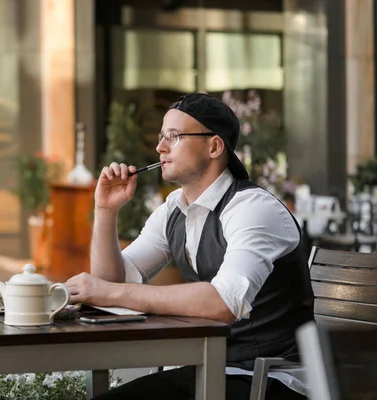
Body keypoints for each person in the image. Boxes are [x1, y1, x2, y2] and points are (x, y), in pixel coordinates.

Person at [66, 93, 314, 400]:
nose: (160, 147)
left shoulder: (252, 209)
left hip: (269, 380)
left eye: (174, 136)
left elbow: (222, 303)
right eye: (161, 136)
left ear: (214, 146)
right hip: (210, 368)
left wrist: (109, 293)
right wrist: (105, 211)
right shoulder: (175, 209)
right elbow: (111, 280)